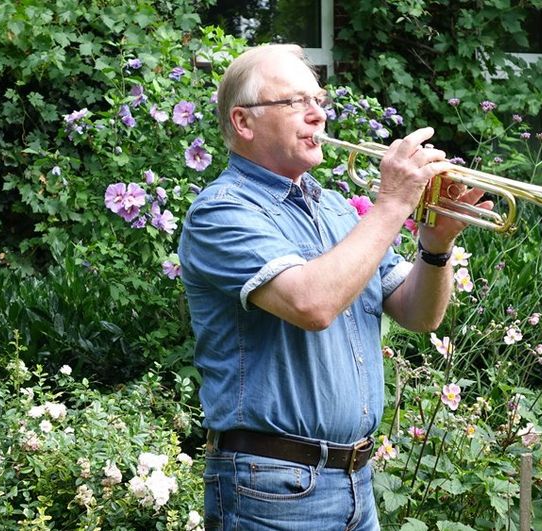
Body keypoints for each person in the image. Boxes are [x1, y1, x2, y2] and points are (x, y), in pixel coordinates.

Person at [177, 43, 490, 530]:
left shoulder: (338, 211)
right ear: (244, 123)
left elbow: (418, 314)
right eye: (295, 103)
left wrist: (435, 244)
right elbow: (312, 303)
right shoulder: (222, 211)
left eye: (319, 101)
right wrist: (392, 205)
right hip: (271, 488)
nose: (318, 115)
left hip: (355, 483)